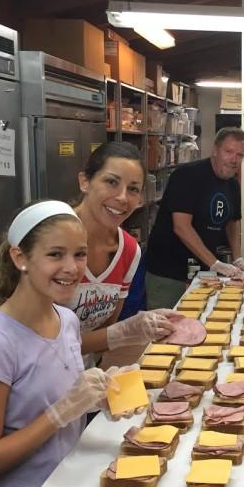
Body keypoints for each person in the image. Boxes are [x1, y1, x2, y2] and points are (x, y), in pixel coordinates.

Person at [0, 201, 135, 487]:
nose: (72, 268)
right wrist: (60, 413)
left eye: (80, 254)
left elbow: (60, 395)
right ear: (20, 258)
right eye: (55, 254)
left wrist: (102, 394)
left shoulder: (66, 319)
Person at [67, 142, 177, 366]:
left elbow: (102, 335)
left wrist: (123, 333)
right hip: (31, 385)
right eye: (111, 182)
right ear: (84, 181)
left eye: (133, 189)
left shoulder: (128, 250)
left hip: (82, 375)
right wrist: (123, 332)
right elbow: (38, 342)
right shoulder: (53, 242)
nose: (123, 197)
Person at [145, 127, 244, 309]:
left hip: (202, 272)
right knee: (166, 330)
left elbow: (233, 222)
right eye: (228, 152)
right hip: (169, 273)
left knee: (202, 323)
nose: (234, 160)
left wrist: (237, 259)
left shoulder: (233, 184)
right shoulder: (187, 176)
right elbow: (181, 227)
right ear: (215, 150)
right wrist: (215, 263)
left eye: (240, 155)